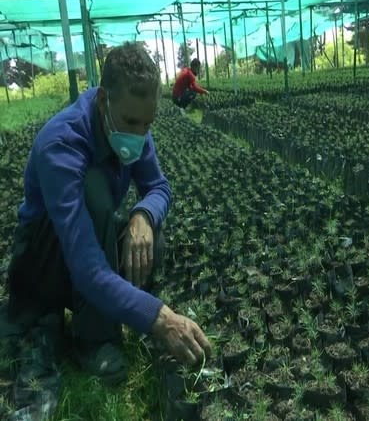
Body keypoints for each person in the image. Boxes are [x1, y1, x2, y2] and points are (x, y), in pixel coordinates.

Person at [1, 42, 211, 418]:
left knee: (151, 240)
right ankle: (92, 339)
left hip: (85, 246)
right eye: (132, 122)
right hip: (45, 258)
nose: (140, 134)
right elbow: (85, 266)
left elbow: (159, 187)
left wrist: (143, 215)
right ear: (103, 101)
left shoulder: (134, 128)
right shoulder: (62, 144)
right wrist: (158, 317)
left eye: (148, 124)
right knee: (96, 193)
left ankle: (99, 313)